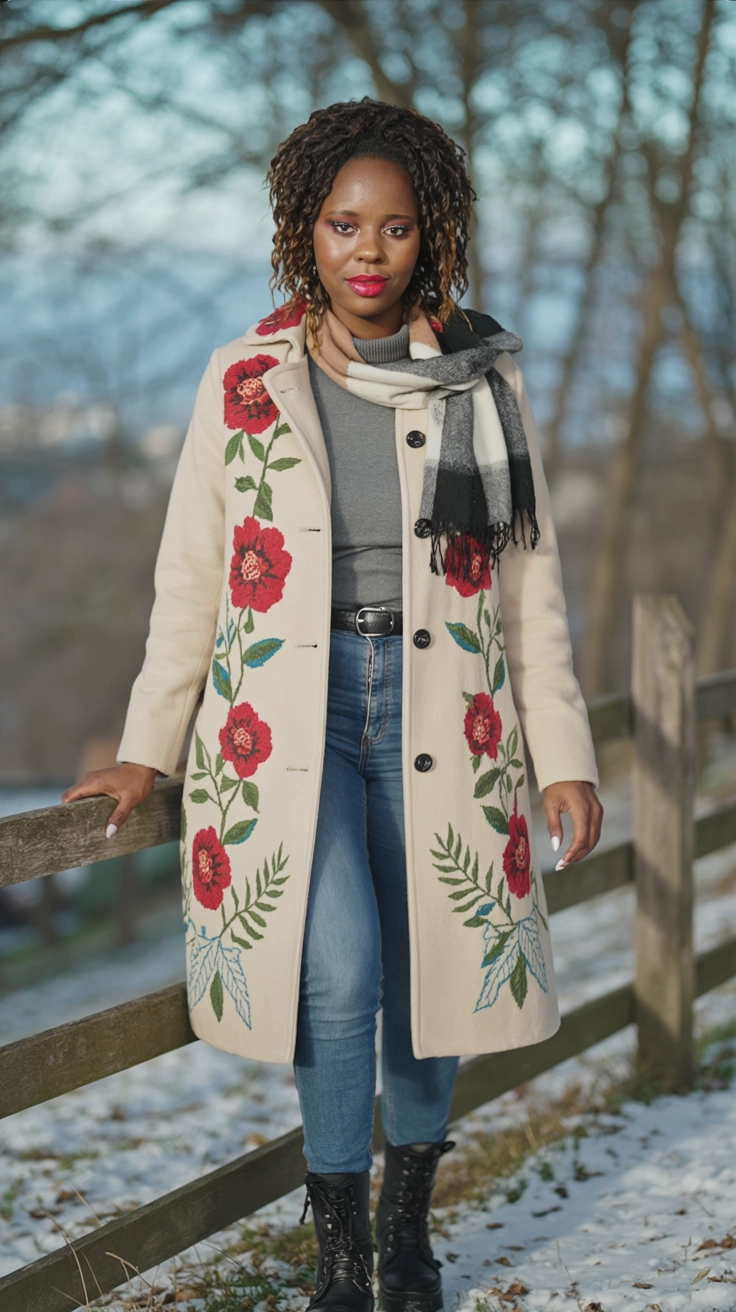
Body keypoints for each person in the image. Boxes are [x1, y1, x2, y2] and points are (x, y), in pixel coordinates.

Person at [62, 97, 603, 1312]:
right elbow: (191, 583)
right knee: (339, 970)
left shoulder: (484, 377)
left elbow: (532, 592)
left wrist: (561, 754)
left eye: (397, 227)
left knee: (429, 984)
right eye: (343, 224)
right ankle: (343, 1266)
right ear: (303, 232)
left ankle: (408, 1234)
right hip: (285, 734)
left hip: (445, 720)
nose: (369, 251)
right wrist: (147, 749)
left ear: (433, 236)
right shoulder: (241, 379)